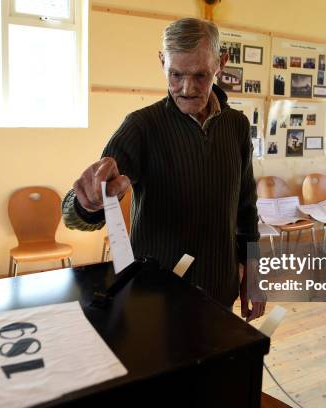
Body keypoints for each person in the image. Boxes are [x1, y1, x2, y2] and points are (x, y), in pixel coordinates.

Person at [61, 18, 265, 321]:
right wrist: (88, 203)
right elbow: (76, 217)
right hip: (155, 295)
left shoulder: (236, 126)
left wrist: (252, 270)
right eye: (175, 74)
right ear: (161, 61)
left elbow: (246, 209)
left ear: (221, 63)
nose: (187, 88)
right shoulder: (141, 126)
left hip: (220, 290)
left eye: (200, 75)